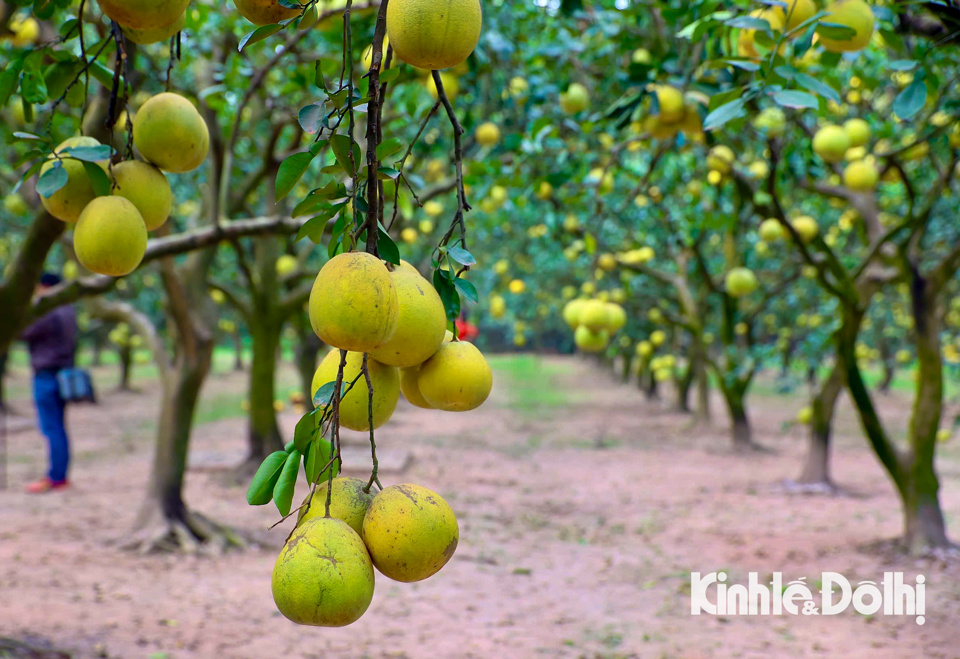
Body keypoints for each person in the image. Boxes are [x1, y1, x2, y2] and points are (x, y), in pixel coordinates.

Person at [20, 273, 78, 494]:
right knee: (59, 427)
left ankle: (56, 477)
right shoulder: (68, 309)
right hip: (64, 375)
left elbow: (23, 332)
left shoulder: (46, 310)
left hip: (46, 375)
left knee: (51, 428)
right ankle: (59, 475)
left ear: (45, 287)